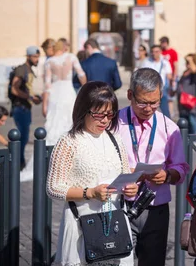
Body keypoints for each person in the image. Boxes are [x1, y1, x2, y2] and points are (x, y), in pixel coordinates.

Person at [46, 81, 138, 266]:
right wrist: (90, 192)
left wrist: (131, 188)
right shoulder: (69, 141)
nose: (105, 120)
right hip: (82, 223)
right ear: (83, 110)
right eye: (98, 114)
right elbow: (53, 187)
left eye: (110, 114)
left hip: (115, 222)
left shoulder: (115, 139)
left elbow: (125, 173)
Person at [116, 68, 190, 265]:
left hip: (155, 207)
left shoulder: (169, 127)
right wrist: (125, 178)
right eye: (142, 102)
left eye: (154, 103)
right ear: (130, 95)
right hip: (119, 205)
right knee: (120, 261)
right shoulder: (114, 123)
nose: (148, 108)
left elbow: (181, 168)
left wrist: (167, 175)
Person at [21, 40, 87, 182]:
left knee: (52, 127)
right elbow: (81, 75)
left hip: (55, 96)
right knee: (70, 125)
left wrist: (44, 105)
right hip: (68, 94)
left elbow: (47, 86)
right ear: (63, 48)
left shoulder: (49, 62)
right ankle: (69, 164)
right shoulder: (71, 57)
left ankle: (49, 163)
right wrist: (86, 91)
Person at [10, 45, 42, 170]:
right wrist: (29, 97)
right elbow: (14, 88)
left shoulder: (28, 69)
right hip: (20, 108)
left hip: (25, 107)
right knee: (21, 137)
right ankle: (18, 163)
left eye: (38, 57)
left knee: (24, 136)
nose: (36, 59)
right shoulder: (22, 69)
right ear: (28, 56)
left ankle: (19, 162)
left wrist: (34, 98)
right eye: (34, 57)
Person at [140, 45, 173, 117]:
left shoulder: (165, 62)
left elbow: (169, 76)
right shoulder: (147, 62)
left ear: (160, 52)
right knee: (148, 109)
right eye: (153, 52)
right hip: (148, 89)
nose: (154, 53)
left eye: (156, 51)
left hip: (161, 89)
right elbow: (142, 75)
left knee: (165, 111)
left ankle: (167, 125)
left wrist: (171, 88)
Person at [177, 54, 196, 134]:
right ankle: (186, 144)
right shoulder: (186, 72)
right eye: (186, 62)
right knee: (184, 126)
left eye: (189, 62)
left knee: (193, 124)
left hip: (192, 104)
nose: (187, 63)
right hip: (183, 103)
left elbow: (194, 69)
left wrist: (191, 59)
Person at [160, 36, 179, 116]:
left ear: (167, 43)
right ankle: (166, 113)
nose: (162, 44)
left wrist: (174, 77)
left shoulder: (172, 52)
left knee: (170, 97)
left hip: (171, 77)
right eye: (161, 43)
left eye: (164, 42)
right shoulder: (160, 53)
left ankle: (170, 114)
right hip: (163, 77)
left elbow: (176, 65)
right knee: (164, 97)